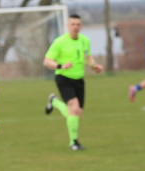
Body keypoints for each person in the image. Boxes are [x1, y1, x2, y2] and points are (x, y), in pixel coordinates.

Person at [43, 13, 104, 151]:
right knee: (74, 108)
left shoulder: (84, 41)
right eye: (73, 24)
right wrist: (60, 66)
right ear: (68, 25)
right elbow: (47, 61)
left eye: (78, 24)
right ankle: (73, 143)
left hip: (79, 79)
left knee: (77, 113)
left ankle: (54, 102)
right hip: (63, 78)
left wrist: (94, 66)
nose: (75, 27)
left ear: (81, 26)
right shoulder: (60, 42)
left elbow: (87, 57)